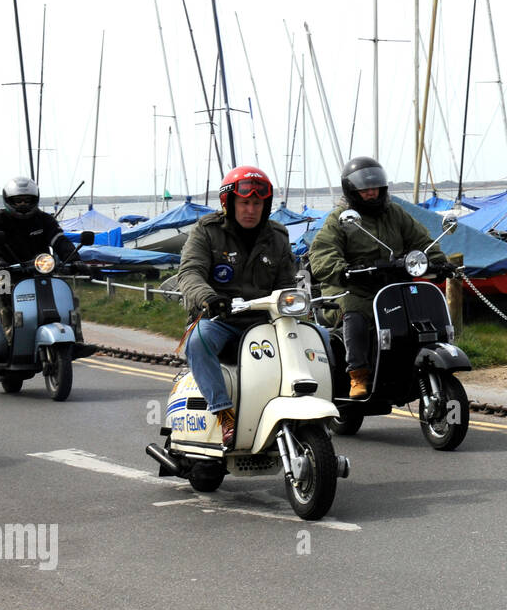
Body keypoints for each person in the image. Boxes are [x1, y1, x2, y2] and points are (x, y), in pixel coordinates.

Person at [177, 166, 297, 447]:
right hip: (221, 319)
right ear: (229, 204)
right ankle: (223, 414)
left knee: (321, 338)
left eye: (257, 203)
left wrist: (295, 303)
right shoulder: (207, 231)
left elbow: (286, 283)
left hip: (267, 321)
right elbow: (190, 273)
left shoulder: (277, 237)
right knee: (198, 342)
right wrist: (208, 298)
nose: (250, 210)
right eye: (244, 203)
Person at [307, 157, 446, 400]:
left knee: (420, 310)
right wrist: (342, 269)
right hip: (351, 288)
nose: (372, 193)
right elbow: (322, 252)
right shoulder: (340, 219)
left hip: (391, 286)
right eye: (365, 189)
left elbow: (421, 239)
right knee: (355, 314)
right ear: (352, 190)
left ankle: (415, 362)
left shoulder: (395, 214)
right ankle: (357, 374)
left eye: (376, 188)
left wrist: (437, 260)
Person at [0, 177, 90, 348]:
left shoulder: (44, 220)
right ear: (9, 200)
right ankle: (11, 341)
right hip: (6, 271)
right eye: (18, 200)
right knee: (3, 289)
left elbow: (60, 241)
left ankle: (77, 340)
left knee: (68, 294)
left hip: (41, 271)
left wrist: (75, 260)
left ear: (35, 199)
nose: (23, 204)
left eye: (27, 200)